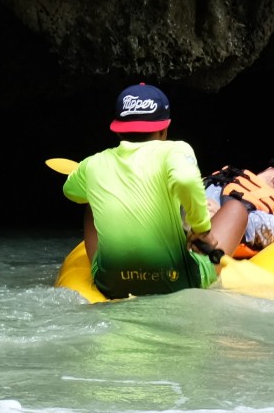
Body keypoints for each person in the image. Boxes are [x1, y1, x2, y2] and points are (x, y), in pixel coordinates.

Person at [62, 83, 253, 299]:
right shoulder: (175, 150)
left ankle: (117, 269)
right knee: (237, 208)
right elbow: (186, 179)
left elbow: (70, 192)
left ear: (117, 130)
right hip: (175, 281)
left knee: (90, 200)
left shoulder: (93, 163)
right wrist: (201, 229)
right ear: (164, 129)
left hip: (111, 284)